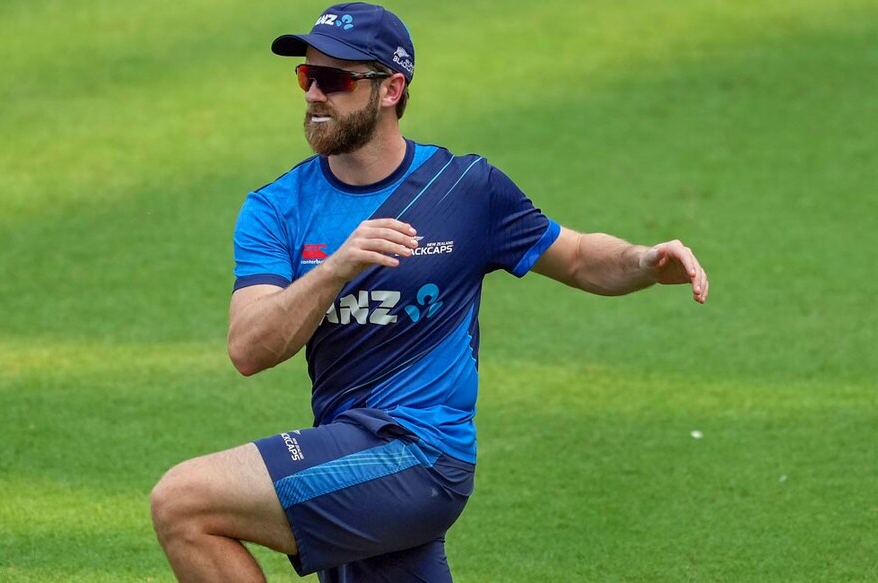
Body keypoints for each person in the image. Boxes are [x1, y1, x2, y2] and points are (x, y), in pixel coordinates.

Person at [150, 3, 710, 581]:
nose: (315, 95)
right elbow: (249, 348)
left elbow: (577, 257)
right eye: (306, 76)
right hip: (351, 452)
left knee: (184, 502)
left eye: (336, 80)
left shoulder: (465, 190)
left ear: (391, 89)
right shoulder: (276, 208)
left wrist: (645, 261)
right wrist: (333, 269)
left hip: (421, 457)